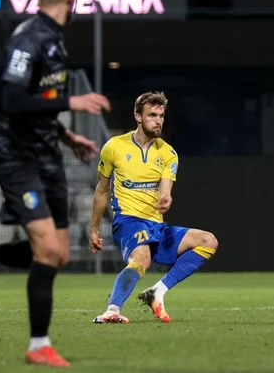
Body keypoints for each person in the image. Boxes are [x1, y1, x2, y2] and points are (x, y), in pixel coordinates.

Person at [0, 0, 111, 368]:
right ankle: (38, 345)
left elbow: (36, 101)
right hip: (17, 155)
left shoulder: (54, 37)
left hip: (46, 153)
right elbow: (10, 100)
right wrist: (70, 103)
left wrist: (65, 134)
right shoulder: (29, 38)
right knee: (45, 250)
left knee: (58, 257)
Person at [88, 92, 218, 324]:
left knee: (208, 241)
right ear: (138, 117)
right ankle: (112, 310)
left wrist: (165, 197)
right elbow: (102, 190)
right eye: (152, 115)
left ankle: (157, 292)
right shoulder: (114, 147)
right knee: (142, 258)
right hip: (128, 221)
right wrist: (94, 228)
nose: (158, 120)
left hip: (156, 226)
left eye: (161, 115)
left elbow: (166, 187)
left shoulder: (168, 153)